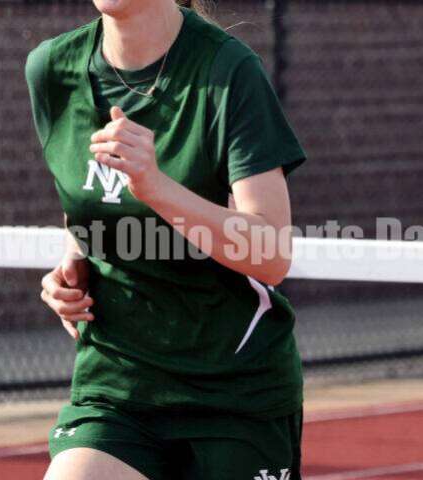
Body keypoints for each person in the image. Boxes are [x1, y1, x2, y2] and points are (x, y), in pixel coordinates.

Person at [25, 0, 307, 478]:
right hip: (117, 384)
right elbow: (86, 202)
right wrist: (72, 264)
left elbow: (271, 254)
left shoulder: (229, 71)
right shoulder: (51, 68)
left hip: (233, 391)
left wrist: (156, 187)